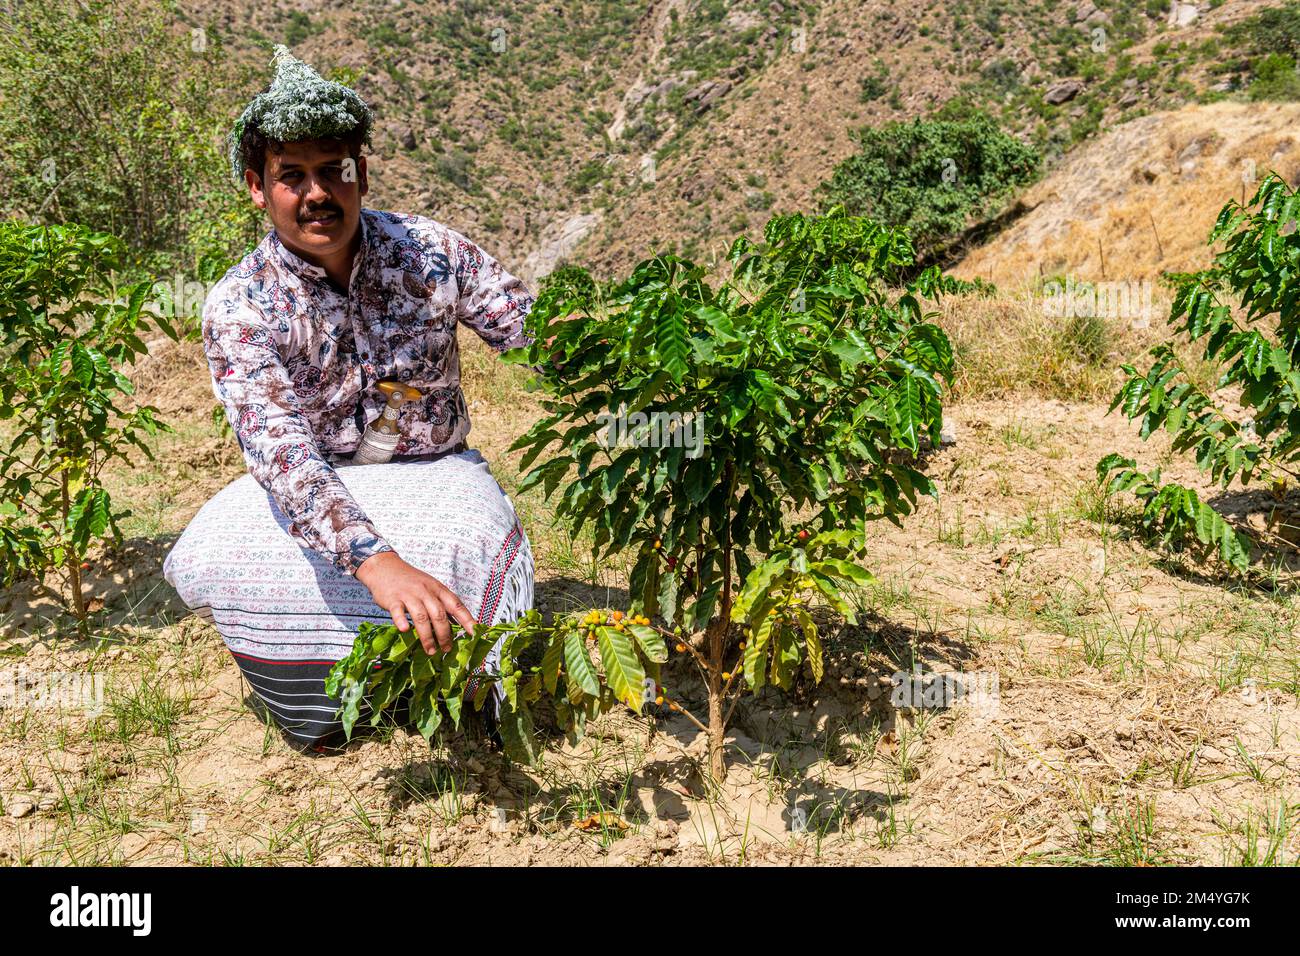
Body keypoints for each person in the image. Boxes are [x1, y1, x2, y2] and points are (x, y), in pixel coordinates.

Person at [163, 46, 536, 749]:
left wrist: (637, 382)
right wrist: (376, 561)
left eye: (333, 170)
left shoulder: (431, 254)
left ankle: (468, 701)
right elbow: (283, 457)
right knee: (229, 558)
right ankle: (317, 711)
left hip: (434, 473)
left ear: (359, 173)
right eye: (291, 176)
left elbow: (535, 336)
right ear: (256, 187)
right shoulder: (240, 305)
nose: (317, 194)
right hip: (319, 482)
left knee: (474, 544)